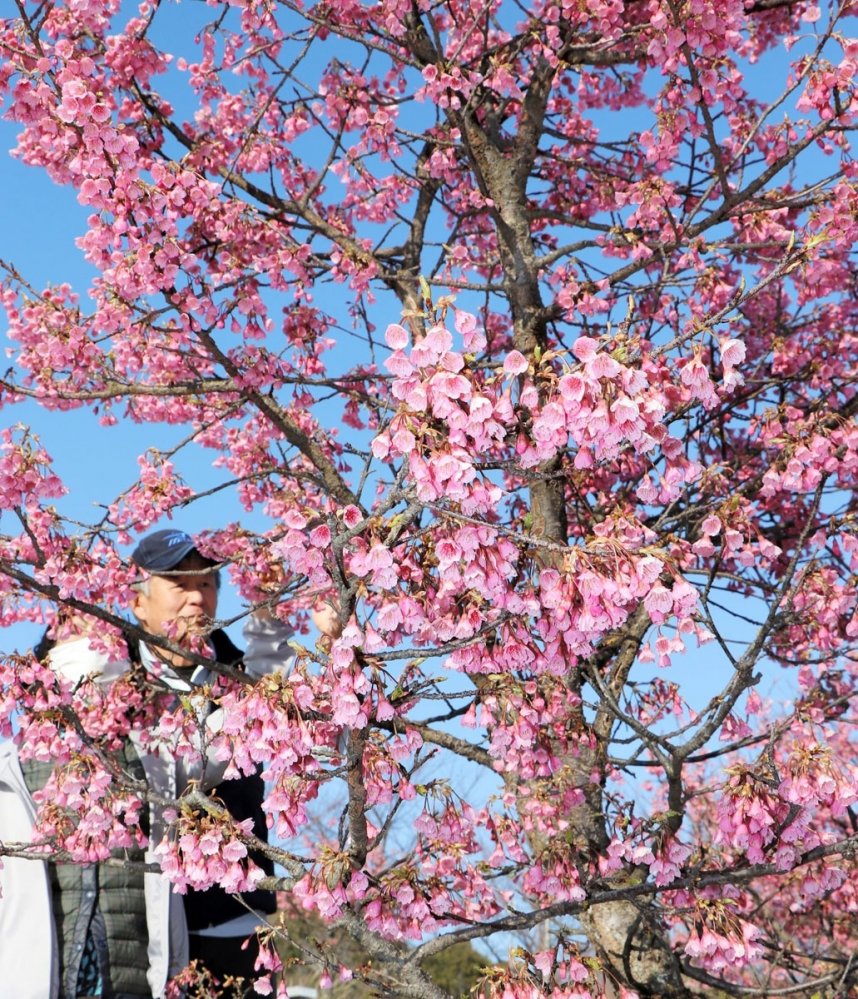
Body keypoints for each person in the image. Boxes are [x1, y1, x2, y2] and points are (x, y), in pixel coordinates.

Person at [0, 528, 340, 998]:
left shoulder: (238, 673)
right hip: (144, 923)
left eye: (207, 584)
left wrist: (281, 619)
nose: (197, 599)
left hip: (230, 915)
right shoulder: (109, 682)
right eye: (179, 584)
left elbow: (283, 716)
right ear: (137, 602)